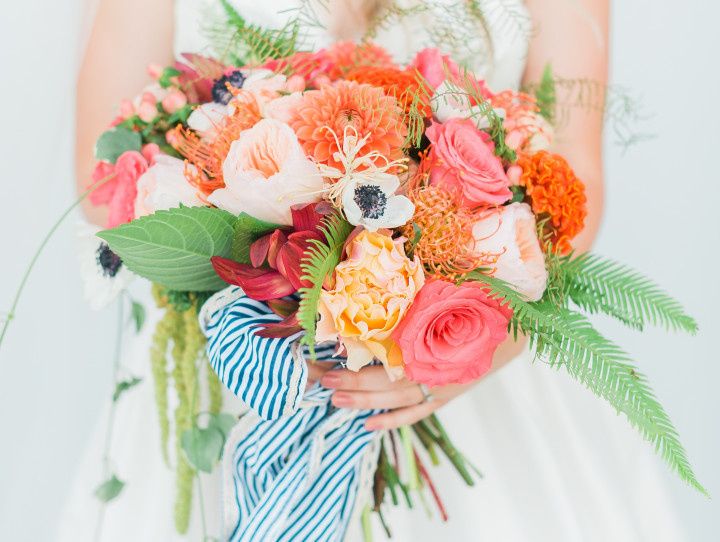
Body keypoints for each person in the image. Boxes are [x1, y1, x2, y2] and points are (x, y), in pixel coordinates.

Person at [64, 1, 686, 540]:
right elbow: (105, 181)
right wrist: (260, 221)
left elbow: (576, 177)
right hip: (241, 358)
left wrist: (474, 347)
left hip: (465, 340)